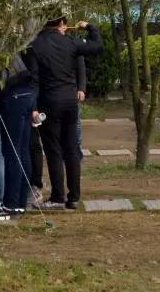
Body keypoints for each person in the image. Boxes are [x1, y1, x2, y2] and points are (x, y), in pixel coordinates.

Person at [29, 14, 104, 210]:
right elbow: (97, 46)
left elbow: (34, 79)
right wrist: (89, 26)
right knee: (71, 148)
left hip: (48, 101)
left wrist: (34, 107)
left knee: (53, 149)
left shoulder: (35, 45)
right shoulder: (70, 42)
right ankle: (74, 196)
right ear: (62, 23)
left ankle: (57, 196)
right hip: (70, 100)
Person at [0, 49, 39, 219]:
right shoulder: (12, 46)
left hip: (14, 95)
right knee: (22, 150)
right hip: (28, 93)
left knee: (12, 152)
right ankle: (20, 202)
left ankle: (10, 204)